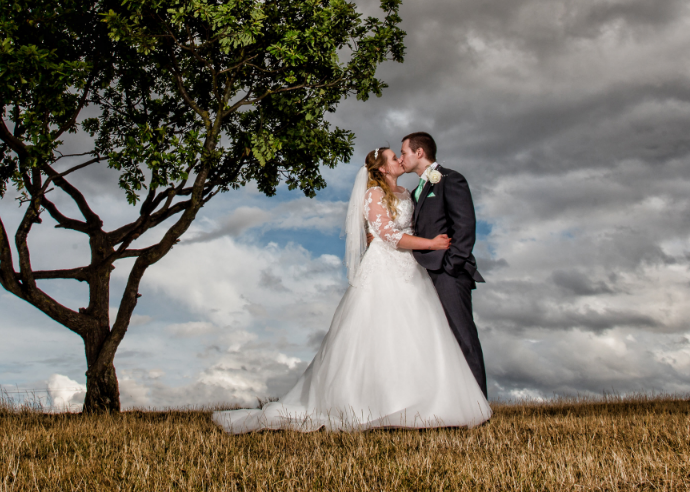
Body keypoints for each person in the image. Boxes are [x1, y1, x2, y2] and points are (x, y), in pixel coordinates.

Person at [211, 146, 492, 433]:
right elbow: (388, 234)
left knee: (417, 333)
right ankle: (373, 403)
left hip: (411, 269)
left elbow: (416, 225)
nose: (399, 160)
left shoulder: (407, 193)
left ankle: (421, 400)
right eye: (394, 157)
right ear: (382, 168)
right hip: (384, 267)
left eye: (400, 154)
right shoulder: (373, 194)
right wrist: (431, 244)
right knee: (378, 333)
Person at [400, 131, 488, 397]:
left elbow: (465, 226)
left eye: (403, 152)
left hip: (449, 272)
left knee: (462, 336)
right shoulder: (416, 190)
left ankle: (478, 404)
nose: (401, 158)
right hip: (426, 274)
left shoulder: (451, 179)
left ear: (419, 152)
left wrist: (451, 265)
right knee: (439, 340)